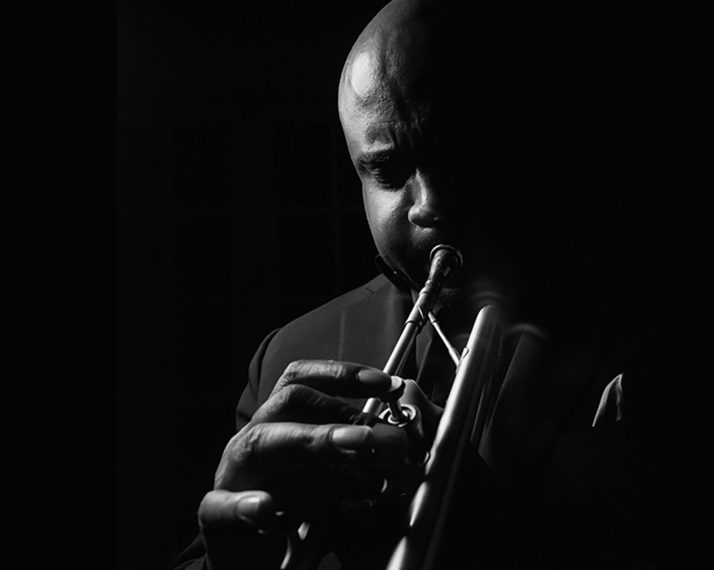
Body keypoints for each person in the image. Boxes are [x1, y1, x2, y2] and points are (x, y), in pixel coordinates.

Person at [173, 0, 655, 568]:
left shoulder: (633, 317)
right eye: (387, 169)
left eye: (455, 151)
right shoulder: (288, 355)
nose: (429, 204)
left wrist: (481, 528)